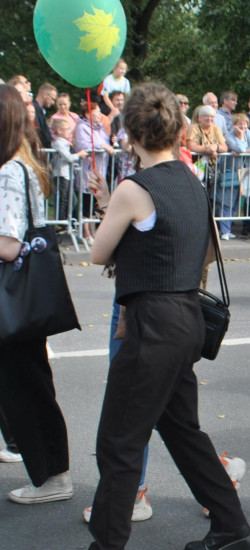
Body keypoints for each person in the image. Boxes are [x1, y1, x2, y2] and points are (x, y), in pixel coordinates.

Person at [86, 82, 250, 550]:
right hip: (186, 318)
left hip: (152, 324)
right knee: (182, 431)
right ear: (180, 130)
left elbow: (100, 253)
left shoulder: (133, 187)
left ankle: (106, 543)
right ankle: (231, 528)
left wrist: (109, 210)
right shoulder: (191, 181)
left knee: (118, 444)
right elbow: (196, 247)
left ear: (130, 134)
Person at [0, 83, 73, 505]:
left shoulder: (10, 170)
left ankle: (51, 477)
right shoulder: (21, 166)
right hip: (21, 298)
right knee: (29, 384)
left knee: (26, 388)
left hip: (13, 299)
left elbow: (9, 244)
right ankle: (48, 471)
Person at [76, 97, 115, 245]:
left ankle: (93, 231)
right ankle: (86, 233)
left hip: (100, 170)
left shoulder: (100, 128)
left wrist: (111, 141)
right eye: (97, 112)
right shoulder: (82, 127)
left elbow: (105, 142)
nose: (100, 114)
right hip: (88, 170)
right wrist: (103, 146)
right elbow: (84, 144)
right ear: (87, 114)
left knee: (95, 203)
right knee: (87, 202)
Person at [216, 113, 250, 239]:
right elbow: (236, 147)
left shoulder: (248, 133)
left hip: (243, 172)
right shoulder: (229, 135)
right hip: (230, 171)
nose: (243, 126)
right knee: (226, 201)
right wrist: (240, 138)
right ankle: (224, 230)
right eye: (240, 124)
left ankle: (228, 229)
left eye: (245, 124)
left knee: (235, 202)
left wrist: (244, 150)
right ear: (235, 125)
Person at [49, 118, 89, 222]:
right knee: (63, 199)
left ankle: (66, 219)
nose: (69, 131)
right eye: (67, 129)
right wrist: (79, 155)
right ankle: (60, 222)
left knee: (72, 200)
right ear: (59, 130)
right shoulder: (58, 143)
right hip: (61, 174)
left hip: (68, 174)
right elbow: (68, 157)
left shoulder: (65, 142)